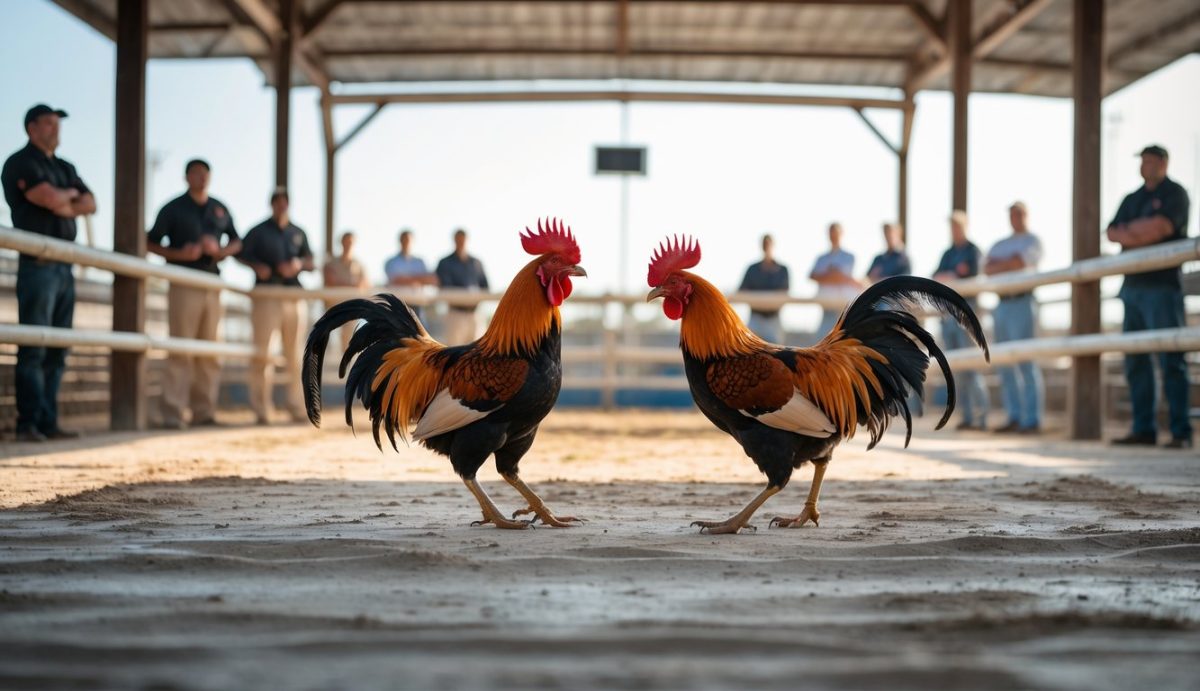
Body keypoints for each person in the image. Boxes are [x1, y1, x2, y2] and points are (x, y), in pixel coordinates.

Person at [1, 104, 95, 442]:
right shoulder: (19, 162)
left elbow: (91, 203)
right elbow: (47, 197)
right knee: (34, 347)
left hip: (64, 265)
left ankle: (48, 421)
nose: (56, 129)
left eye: (58, 123)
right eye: (49, 123)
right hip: (38, 265)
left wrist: (63, 199)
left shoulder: (65, 166)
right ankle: (28, 423)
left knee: (58, 348)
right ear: (31, 128)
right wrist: (69, 197)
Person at [1107, 145, 1193, 449]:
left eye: (1150, 161)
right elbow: (1112, 232)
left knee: (1172, 359)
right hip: (1132, 288)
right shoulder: (1133, 198)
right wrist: (1141, 231)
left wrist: (1133, 233)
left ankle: (1180, 432)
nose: (1145, 166)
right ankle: (1143, 429)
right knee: (1135, 361)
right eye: (1142, 161)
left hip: (1163, 287)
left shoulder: (1176, 193)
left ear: (1163, 163)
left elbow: (1162, 228)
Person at [146, 159, 241, 429]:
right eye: (196, 174)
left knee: (209, 351)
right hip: (184, 281)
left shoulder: (219, 208)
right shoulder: (172, 208)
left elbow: (237, 241)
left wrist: (220, 251)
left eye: (205, 174)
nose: (201, 178)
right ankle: (173, 413)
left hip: (212, 283)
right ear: (186, 177)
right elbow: (150, 242)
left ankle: (204, 412)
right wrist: (180, 253)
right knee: (181, 349)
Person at [237, 188, 315, 425]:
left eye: (285, 202)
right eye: (277, 202)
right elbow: (240, 252)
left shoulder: (298, 232)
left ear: (288, 205)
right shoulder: (258, 231)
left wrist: (298, 264)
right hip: (267, 294)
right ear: (272, 205)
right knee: (263, 353)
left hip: (293, 295)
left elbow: (311, 262)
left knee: (296, 354)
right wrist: (257, 266)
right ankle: (262, 409)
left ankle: (297, 407)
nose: (281, 206)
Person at [985, 202, 1044, 434]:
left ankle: (1032, 419)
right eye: (1012, 215)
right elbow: (988, 268)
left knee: (1026, 361)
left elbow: (1020, 262)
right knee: (1005, 363)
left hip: (1022, 302)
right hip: (1002, 304)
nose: (1015, 219)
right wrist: (1010, 263)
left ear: (1026, 216)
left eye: (1019, 214)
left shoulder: (1033, 240)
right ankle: (1015, 416)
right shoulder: (1001, 243)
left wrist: (1004, 265)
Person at [934, 210, 988, 430]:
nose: (955, 230)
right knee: (956, 367)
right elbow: (936, 276)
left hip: (966, 313)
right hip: (949, 315)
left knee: (972, 366)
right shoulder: (948, 253)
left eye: (958, 226)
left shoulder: (973, 251)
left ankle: (981, 417)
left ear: (965, 226)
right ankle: (967, 417)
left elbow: (972, 274)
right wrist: (955, 274)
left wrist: (950, 276)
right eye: (952, 226)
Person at [435, 228, 489, 345]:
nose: (461, 242)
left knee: (478, 354)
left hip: (475, 315)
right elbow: (445, 286)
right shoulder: (445, 262)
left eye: (463, 240)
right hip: (456, 315)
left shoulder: (476, 263)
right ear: (454, 240)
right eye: (458, 239)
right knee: (455, 353)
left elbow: (485, 286)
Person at [809, 222, 860, 339]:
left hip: (843, 309)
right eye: (831, 233)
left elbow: (842, 277)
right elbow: (812, 275)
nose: (834, 236)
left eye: (836, 233)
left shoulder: (849, 256)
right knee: (821, 340)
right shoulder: (822, 258)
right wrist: (834, 275)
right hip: (827, 307)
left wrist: (827, 275)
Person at [322, 231, 369, 352]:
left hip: (351, 309)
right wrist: (352, 286)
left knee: (348, 343)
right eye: (346, 241)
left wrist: (341, 283)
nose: (348, 244)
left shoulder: (359, 264)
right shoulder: (331, 262)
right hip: (333, 308)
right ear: (341, 242)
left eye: (351, 242)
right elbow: (329, 281)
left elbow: (365, 284)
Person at [738, 233, 790, 343]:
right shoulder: (752, 269)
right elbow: (742, 291)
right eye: (764, 244)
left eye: (768, 244)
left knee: (777, 355)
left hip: (774, 320)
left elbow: (784, 292)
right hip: (755, 318)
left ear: (773, 245)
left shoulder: (782, 270)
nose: (767, 247)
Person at [384, 228, 437, 318]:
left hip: (417, 306)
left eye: (408, 240)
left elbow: (431, 280)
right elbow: (396, 280)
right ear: (400, 241)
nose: (406, 243)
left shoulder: (420, 261)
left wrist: (407, 279)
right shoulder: (391, 262)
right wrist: (418, 279)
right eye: (404, 240)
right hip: (397, 306)